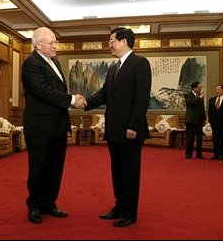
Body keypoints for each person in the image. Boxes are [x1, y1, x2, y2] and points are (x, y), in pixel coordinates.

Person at [84, 27, 151, 227]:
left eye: (112, 40)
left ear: (123, 41)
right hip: (113, 130)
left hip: (130, 130)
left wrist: (133, 126)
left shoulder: (140, 63)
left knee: (130, 173)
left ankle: (130, 213)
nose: (110, 44)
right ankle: (119, 206)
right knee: (117, 171)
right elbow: (103, 94)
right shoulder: (114, 68)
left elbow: (141, 98)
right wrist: (84, 102)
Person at [21, 27, 86, 224]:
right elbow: (44, 92)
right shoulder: (31, 64)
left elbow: (56, 91)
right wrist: (73, 99)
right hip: (40, 127)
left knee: (55, 167)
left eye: (55, 42)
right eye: (51, 43)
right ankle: (34, 206)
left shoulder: (55, 62)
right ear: (38, 45)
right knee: (39, 167)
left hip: (57, 125)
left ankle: (49, 203)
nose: (55, 46)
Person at [208, 85, 223, 160]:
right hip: (214, 123)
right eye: (216, 89)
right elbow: (210, 112)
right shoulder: (212, 100)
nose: (217, 91)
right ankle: (216, 155)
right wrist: (209, 121)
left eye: (218, 89)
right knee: (215, 139)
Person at [184, 81, 206, 159]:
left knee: (199, 138)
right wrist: (200, 98)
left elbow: (202, 108)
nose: (201, 89)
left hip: (199, 121)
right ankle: (188, 154)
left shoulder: (200, 95)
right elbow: (190, 103)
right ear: (194, 88)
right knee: (190, 138)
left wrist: (204, 118)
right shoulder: (188, 95)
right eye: (199, 87)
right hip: (191, 120)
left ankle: (199, 154)